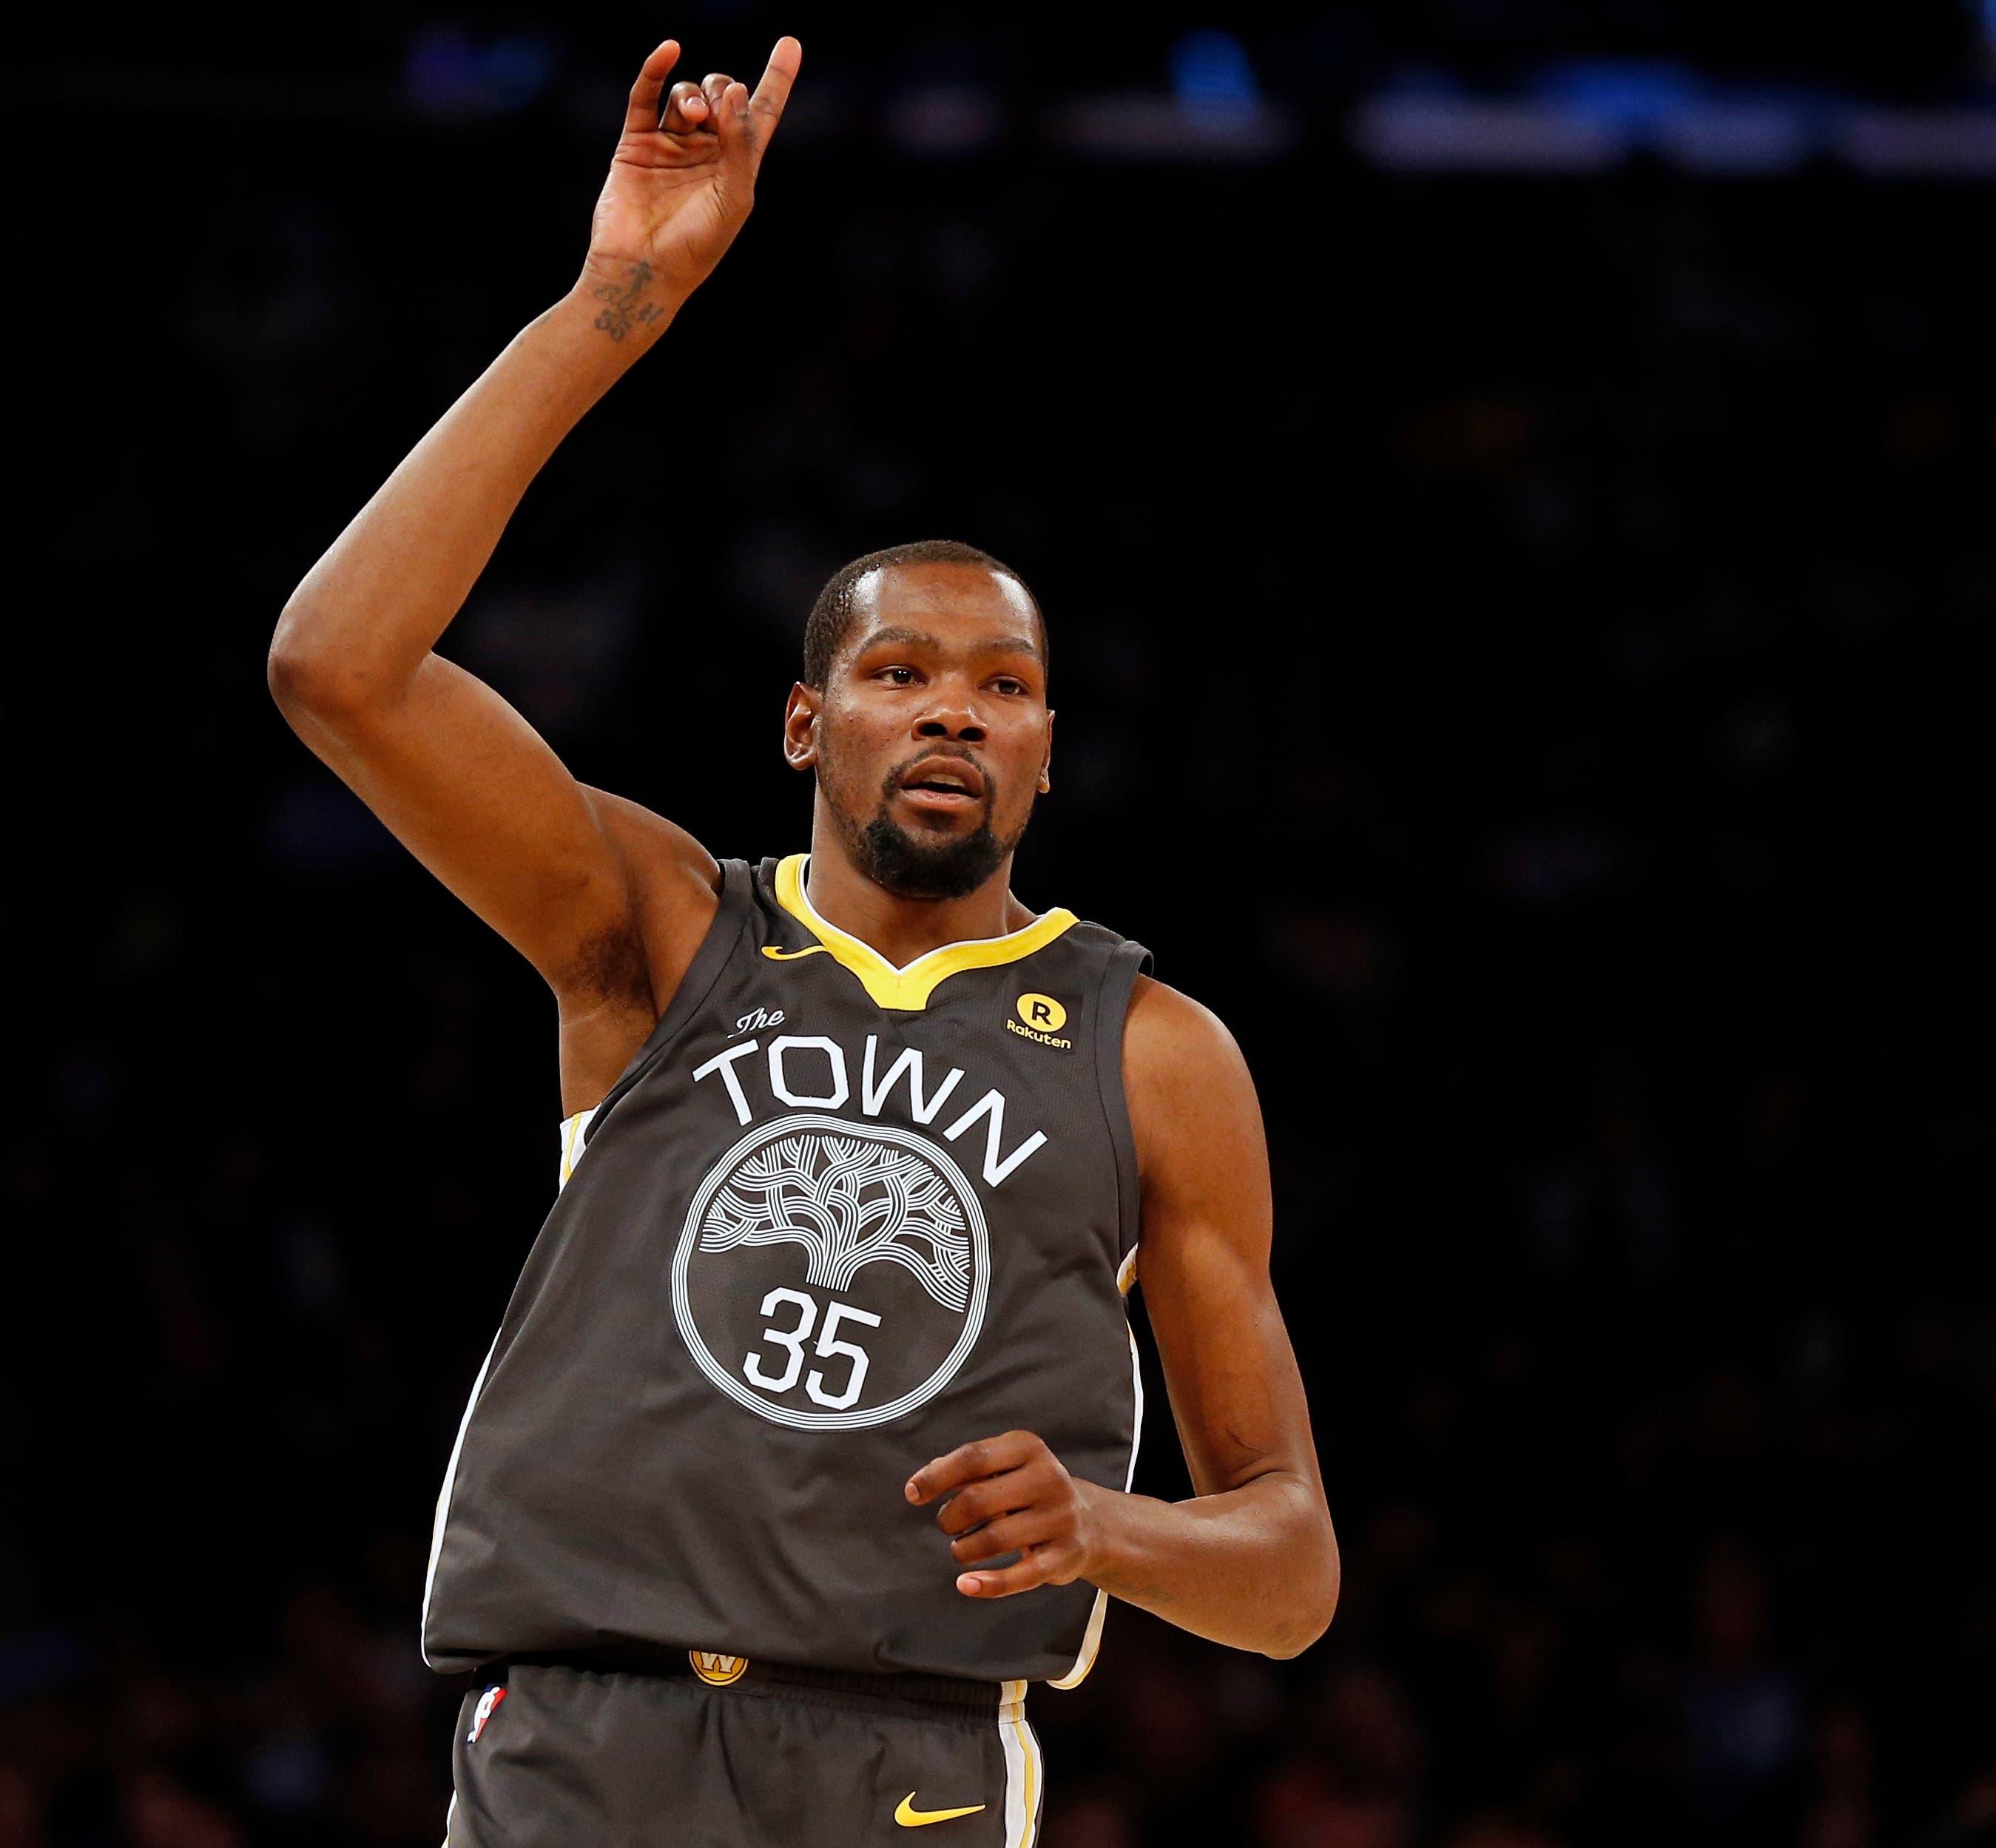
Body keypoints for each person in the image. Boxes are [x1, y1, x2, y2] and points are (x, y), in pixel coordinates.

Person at [266, 36, 1338, 1846]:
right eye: (898, 674)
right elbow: (335, 665)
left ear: (1049, 750)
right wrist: (617, 298)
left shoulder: (1153, 1047)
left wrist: (1108, 1528)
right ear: (802, 725)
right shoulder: (661, 930)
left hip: (903, 1768)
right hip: (581, 1743)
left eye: (1003, 687)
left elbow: (1289, 1560)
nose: (952, 714)